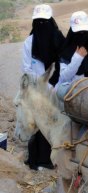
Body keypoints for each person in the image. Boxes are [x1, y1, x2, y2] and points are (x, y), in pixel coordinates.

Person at [21, 4, 65, 170]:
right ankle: (35, 160)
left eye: (44, 22)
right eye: (38, 22)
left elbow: (63, 65)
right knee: (36, 124)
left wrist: (53, 85)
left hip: (55, 89)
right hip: (36, 90)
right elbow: (26, 69)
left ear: (50, 21)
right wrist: (39, 87)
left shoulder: (59, 40)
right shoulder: (28, 43)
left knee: (52, 123)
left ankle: (50, 160)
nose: (41, 25)